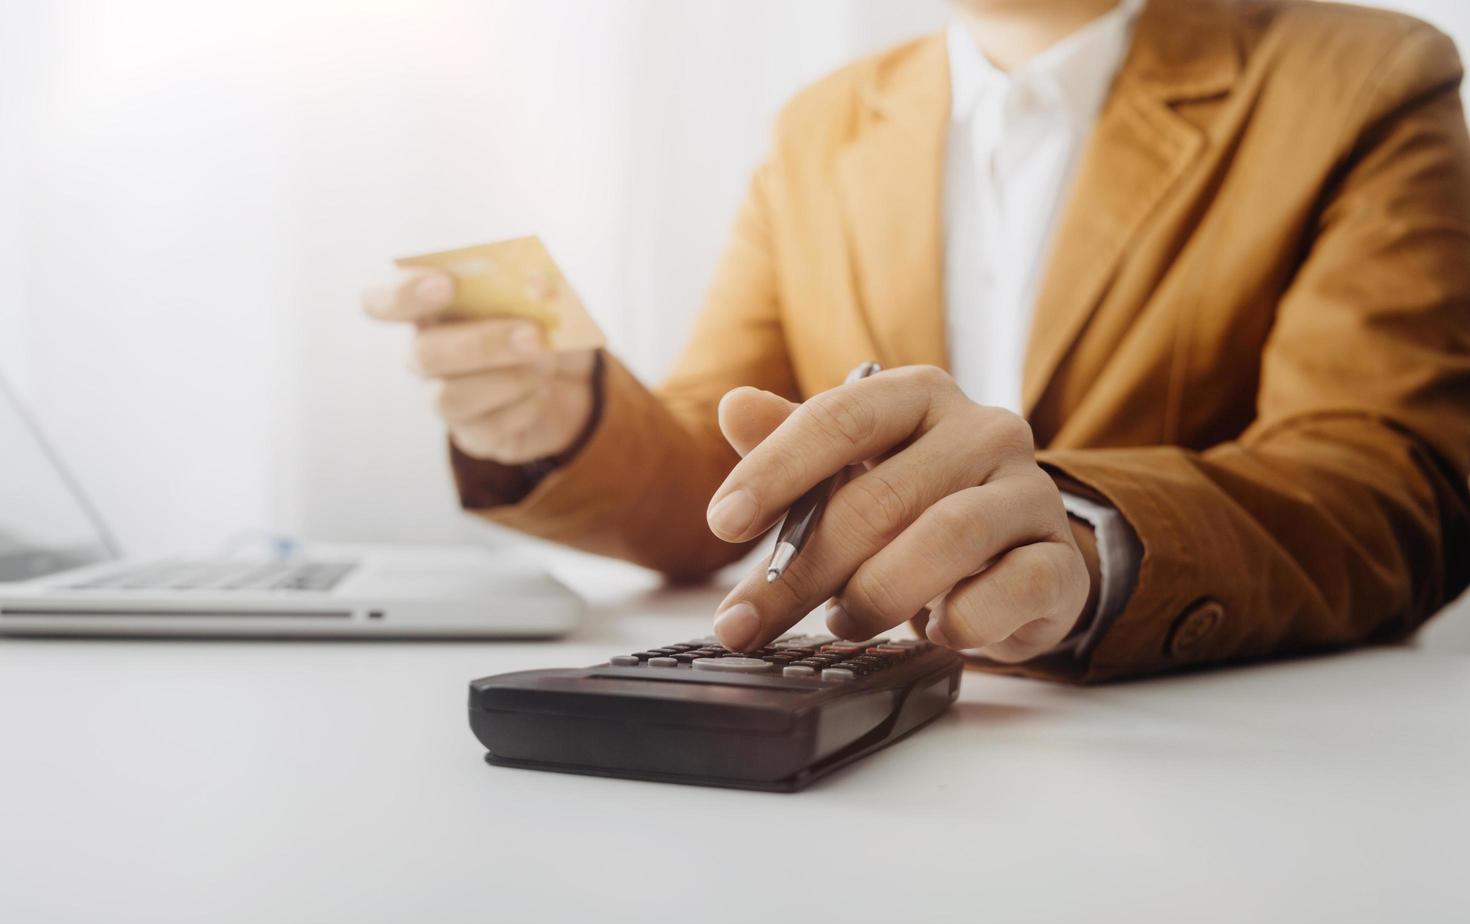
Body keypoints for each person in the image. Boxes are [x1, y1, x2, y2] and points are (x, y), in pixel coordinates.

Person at [363, 0, 1470, 683]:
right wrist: (572, 419)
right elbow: (722, 458)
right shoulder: (822, 126)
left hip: (1224, 785)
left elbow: (1390, 480)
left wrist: (1084, 543)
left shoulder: (1364, 80)